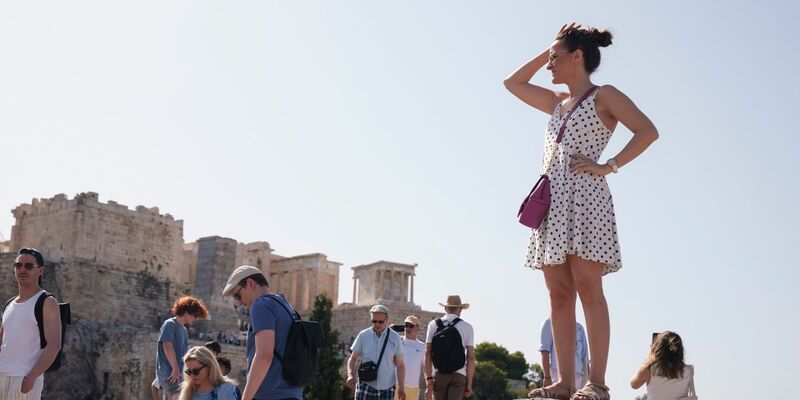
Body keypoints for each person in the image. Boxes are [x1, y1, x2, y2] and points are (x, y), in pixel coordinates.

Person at [505, 23, 659, 400]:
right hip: (552, 203)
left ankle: (598, 383)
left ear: (578, 57)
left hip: (587, 200)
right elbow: (512, 83)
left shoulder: (604, 95)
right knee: (557, 294)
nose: (549, 65)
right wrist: (549, 49)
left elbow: (647, 131)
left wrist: (610, 166)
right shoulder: (556, 101)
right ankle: (564, 382)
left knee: (590, 289)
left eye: (556, 58)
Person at [222, 265, 302, 400]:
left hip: (270, 394)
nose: (239, 302)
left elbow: (264, 356)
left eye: (237, 295)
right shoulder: (286, 306)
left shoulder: (261, 305)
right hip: (292, 393)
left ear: (250, 283)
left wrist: (246, 397)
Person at [0, 248, 61, 400]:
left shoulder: (46, 301)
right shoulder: (9, 304)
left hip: (23, 379)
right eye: (18, 265)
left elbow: (54, 345)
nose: (22, 269)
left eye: (28, 266)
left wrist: (31, 378)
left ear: (40, 270)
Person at [153, 297, 209, 400]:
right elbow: (167, 346)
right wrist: (175, 369)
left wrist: (189, 373)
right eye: (195, 315)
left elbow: (183, 357)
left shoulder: (184, 330)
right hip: (169, 374)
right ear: (187, 311)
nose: (196, 319)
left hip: (178, 375)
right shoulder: (170, 324)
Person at [346, 304, 406, 400]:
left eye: (380, 321)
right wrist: (350, 375)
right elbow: (352, 358)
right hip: (365, 385)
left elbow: (400, 365)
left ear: (387, 320)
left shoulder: (395, 338)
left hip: (387, 387)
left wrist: (401, 388)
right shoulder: (363, 335)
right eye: (374, 321)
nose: (377, 324)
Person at [423, 295, 475, 400]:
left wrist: (429, 379)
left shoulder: (433, 325)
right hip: (459, 374)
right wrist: (469, 383)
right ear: (460, 309)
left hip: (439, 374)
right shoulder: (467, 327)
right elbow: (470, 357)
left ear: (445, 308)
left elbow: (427, 352)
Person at [630, 332, 695, 400]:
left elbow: (634, 385)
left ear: (658, 348)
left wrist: (650, 356)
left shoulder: (649, 369)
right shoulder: (688, 370)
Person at [538, 318, 590, 391]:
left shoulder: (579, 328)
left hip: (578, 377)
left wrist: (588, 383)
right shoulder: (549, 323)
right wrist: (547, 377)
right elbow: (544, 351)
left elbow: (585, 358)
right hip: (556, 375)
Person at [395, 316, 425, 400]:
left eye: (411, 326)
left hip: (413, 388)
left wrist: (429, 384)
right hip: (396, 385)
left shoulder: (422, 346)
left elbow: (425, 367)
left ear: (417, 328)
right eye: (406, 325)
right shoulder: (397, 340)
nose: (408, 328)